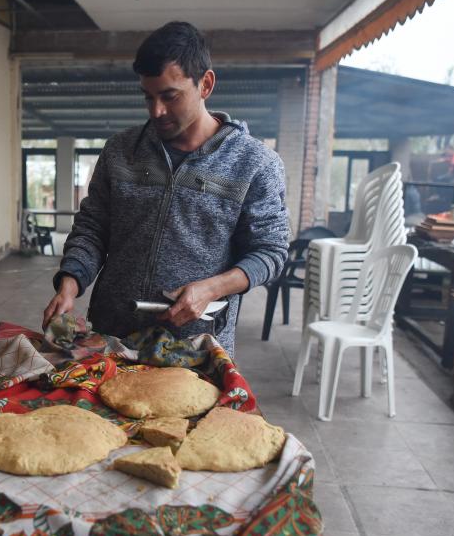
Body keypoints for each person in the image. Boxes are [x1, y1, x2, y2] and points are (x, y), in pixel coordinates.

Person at [41, 21, 290, 356]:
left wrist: (212, 289)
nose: (157, 111)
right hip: (112, 337)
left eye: (170, 97)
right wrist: (70, 283)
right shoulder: (120, 151)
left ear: (206, 84)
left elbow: (271, 252)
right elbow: (93, 228)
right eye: (148, 97)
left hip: (196, 345)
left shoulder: (255, 163)